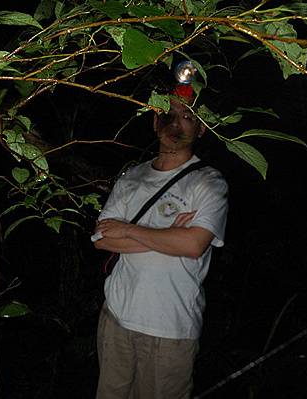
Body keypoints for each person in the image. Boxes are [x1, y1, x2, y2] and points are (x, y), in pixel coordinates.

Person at [93, 88, 229, 399]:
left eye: (187, 116)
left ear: (201, 128)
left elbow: (194, 244)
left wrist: (127, 230)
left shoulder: (209, 182)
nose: (176, 124)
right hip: (116, 318)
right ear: (155, 122)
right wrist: (169, 234)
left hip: (171, 327)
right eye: (168, 115)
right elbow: (102, 239)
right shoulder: (131, 178)